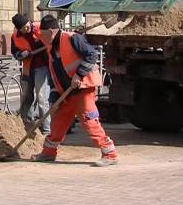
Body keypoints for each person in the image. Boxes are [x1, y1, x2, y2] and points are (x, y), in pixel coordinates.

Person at [32, 14, 117, 167]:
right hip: (66, 92)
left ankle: (109, 154)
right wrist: (54, 97)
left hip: (83, 88)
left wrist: (79, 74)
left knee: (88, 120)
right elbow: (54, 75)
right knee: (58, 121)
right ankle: (48, 153)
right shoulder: (50, 48)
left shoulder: (72, 38)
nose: (41, 39)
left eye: (42, 35)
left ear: (51, 32)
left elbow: (92, 55)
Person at [10, 13, 50, 135]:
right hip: (28, 68)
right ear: (18, 29)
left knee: (42, 97)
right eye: (23, 28)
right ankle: (27, 124)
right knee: (27, 97)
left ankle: (46, 129)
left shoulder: (39, 28)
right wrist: (19, 55)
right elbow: (14, 52)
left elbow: (51, 42)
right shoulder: (15, 36)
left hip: (42, 67)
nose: (27, 28)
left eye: (27, 25)